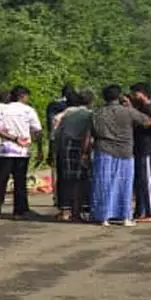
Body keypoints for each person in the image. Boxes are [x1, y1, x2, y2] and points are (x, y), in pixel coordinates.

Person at [90, 84, 151, 227]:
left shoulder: (97, 113)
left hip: (103, 150)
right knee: (124, 184)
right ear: (119, 97)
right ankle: (125, 217)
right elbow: (148, 121)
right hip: (125, 151)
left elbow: (92, 132)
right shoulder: (128, 112)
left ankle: (103, 217)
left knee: (103, 184)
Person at [0, 86, 42, 219]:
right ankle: (18, 211)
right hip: (22, 151)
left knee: (0, 180)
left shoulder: (2, 110)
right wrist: (36, 144)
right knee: (20, 181)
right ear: (23, 96)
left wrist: (12, 138)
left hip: (5, 150)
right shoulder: (28, 110)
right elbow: (37, 130)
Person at [52, 90, 94, 222]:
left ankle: (65, 210)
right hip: (84, 145)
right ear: (91, 102)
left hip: (67, 145)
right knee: (84, 178)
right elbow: (90, 133)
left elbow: (57, 128)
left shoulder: (67, 112)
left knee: (67, 179)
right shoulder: (90, 114)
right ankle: (82, 210)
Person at [128, 83, 151, 223]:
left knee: (147, 182)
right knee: (140, 182)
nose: (132, 96)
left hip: (147, 149)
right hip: (138, 150)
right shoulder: (139, 109)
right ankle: (140, 212)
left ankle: (150, 213)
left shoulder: (150, 109)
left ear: (143, 94)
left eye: (135, 93)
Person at [44, 83, 74, 211]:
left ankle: (57, 198)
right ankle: (70, 198)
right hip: (71, 141)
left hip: (55, 140)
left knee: (56, 170)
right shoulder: (73, 106)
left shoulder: (52, 105)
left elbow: (51, 127)